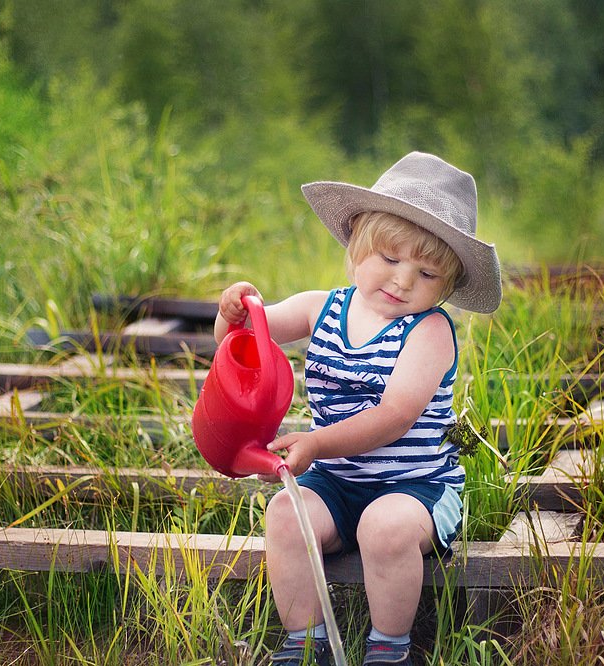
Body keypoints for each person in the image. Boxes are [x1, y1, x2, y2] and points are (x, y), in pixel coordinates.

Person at [214, 152, 502, 665]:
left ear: (447, 286)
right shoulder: (319, 308)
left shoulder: (430, 330)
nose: (403, 281)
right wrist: (231, 313)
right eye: (390, 259)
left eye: (427, 273)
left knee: (383, 528)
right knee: (286, 514)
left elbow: (395, 415)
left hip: (414, 487)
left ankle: (389, 647)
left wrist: (316, 442)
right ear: (357, 245)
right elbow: (241, 344)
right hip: (337, 482)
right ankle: (306, 642)